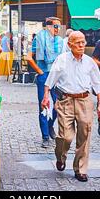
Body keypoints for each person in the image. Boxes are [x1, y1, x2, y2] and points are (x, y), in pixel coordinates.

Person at [42, 31, 100, 182]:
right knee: (65, 136)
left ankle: (80, 169)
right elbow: (50, 80)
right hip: (66, 101)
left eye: (83, 42)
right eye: (78, 42)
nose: (82, 45)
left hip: (85, 101)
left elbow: (98, 85)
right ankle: (61, 157)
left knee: (84, 135)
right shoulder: (62, 60)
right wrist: (45, 96)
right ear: (70, 44)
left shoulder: (89, 62)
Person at [27, 17, 64, 148]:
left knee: (59, 105)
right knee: (44, 106)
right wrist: (40, 71)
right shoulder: (39, 38)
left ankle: (49, 126)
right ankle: (45, 136)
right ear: (48, 27)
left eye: (59, 26)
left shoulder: (59, 41)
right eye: (55, 26)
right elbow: (29, 57)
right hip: (44, 75)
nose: (58, 29)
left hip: (57, 76)